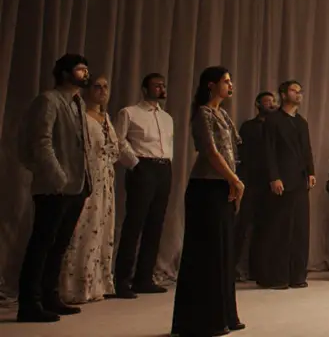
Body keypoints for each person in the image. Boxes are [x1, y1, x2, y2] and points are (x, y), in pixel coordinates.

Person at [17, 53, 92, 323]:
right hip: (54, 187)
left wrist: (84, 179)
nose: (85, 74)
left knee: (59, 244)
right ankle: (29, 302)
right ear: (64, 73)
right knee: (42, 243)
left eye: (86, 70)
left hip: (77, 185)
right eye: (81, 70)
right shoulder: (49, 100)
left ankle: (50, 294)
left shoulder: (78, 102)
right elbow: (41, 142)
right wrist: (57, 176)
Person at [170, 66, 244, 337]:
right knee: (207, 253)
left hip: (223, 186)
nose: (231, 84)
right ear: (211, 85)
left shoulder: (223, 114)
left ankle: (225, 315)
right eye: (226, 80)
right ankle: (202, 320)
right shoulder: (202, 114)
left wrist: (235, 179)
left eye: (230, 80)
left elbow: (234, 149)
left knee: (224, 250)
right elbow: (211, 152)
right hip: (206, 188)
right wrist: (234, 180)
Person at [62, 75, 134, 305]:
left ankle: (98, 284)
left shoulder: (106, 117)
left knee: (103, 228)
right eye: (97, 87)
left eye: (105, 87)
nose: (102, 91)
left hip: (106, 179)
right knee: (84, 227)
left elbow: (115, 148)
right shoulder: (80, 116)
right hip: (87, 177)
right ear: (87, 90)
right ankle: (75, 286)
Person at [113, 72, 174, 299]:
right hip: (142, 167)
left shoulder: (167, 117)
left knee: (155, 224)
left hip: (163, 169)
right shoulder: (129, 112)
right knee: (134, 224)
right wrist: (135, 164)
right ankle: (122, 280)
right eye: (156, 85)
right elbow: (119, 141)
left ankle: (144, 278)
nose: (161, 88)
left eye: (163, 85)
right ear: (145, 88)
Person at [256, 79, 316, 290]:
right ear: (283, 94)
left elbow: (306, 149)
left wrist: (311, 172)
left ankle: (297, 275)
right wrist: (274, 177)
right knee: (281, 229)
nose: (299, 94)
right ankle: (278, 276)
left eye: (301, 91)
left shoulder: (302, 122)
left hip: (300, 181)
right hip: (282, 180)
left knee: (300, 229)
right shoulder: (273, 120)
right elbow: (269, 151)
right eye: (294, 90)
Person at [233, 91, 276, 282]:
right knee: (242, 225)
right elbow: (242, 152)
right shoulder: (249, 127)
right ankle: (231, 267)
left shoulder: (276, 126)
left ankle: (259, 269)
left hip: (270, 182)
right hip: (250, 181)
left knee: (265, 228)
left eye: (273, 102)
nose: (271, 104)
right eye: (267, 102)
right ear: (258, 104)